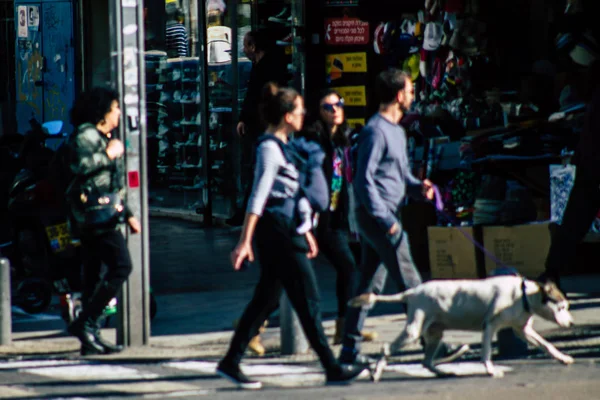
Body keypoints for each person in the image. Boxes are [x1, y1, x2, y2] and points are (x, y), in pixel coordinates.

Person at [216, 86, 365, 390]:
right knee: (308, 299)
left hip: (288, 229)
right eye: (298, 110)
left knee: (267, 298)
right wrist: (245, 240)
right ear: (286, 116)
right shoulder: (269, 149)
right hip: (277, 231)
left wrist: (306, 230)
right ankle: (331, 366)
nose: (304, 114)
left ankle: (231, 360)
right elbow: (258, 197)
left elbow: (294, 191)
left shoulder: (287, 145)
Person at [338, 69, 468, 366]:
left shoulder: (397, 130)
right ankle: (434, 346)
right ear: (398, 96)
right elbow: (363, 182)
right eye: (410, 90)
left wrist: (417, 189)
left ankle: (349, 349)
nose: (413, 95)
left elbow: (399, 177)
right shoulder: (375, 130)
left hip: (386, 214)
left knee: (369, 284)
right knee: (412, 283)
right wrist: (387, 220)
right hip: (378, 217)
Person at [65, 87, 141, 355]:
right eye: (115, 108)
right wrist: (108, 154)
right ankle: (85, 323)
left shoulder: (103, 136)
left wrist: (128, 214)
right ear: (103, 112)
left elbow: (113, 183)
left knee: (93, 276)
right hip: (93, 216)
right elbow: (80, 166)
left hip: (104, 213)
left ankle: (89, 336)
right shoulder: (86, 135)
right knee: (121, 265)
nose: (119, 113)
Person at [298, 89, 377, 345]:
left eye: (339, 104)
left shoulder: (344, 140)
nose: (335, 110)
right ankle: (345, 327)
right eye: (328, 106)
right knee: (347, 267)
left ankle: (347, 327)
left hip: (341, 216)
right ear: (318, 113)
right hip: (319, 218)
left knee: (350, 269)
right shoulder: (312, 141)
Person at [541, 34, 600, 287]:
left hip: (590, 161)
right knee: (575, 218)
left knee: (575, 218)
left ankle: (551, 272)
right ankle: (551, 271)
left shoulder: (594, 90)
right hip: (591, 162)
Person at [226, 29, 288, 226]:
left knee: (255, 167)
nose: (244, 49)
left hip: (262, 125)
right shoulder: (264, 65)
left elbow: (254, 96)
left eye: (245, 45)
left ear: (254, 47)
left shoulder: (264, 68)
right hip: (262, 123)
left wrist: (244, 118)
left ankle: (248, 212)